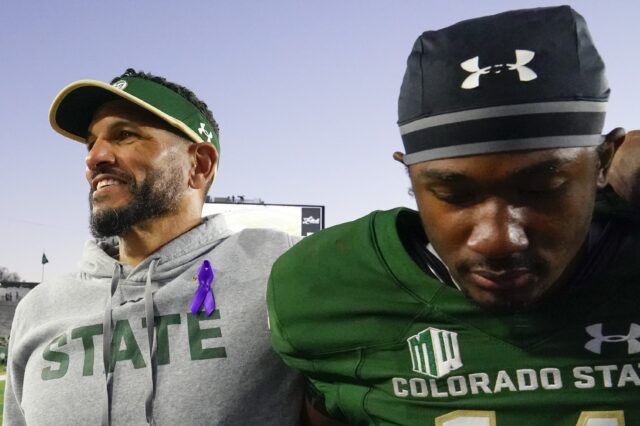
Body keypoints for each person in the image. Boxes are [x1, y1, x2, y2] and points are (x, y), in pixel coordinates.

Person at [268, 6, 640, 425]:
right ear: (410, 176)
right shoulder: (325, 288)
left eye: (541, 189)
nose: (498, 239)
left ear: (603, 162)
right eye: (452, 194)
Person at [4, 69, 302, 425]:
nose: (94, 158)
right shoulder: (39, 309)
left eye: (125, 135)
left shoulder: (278, 268)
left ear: (200, 165)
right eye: (90, 143)